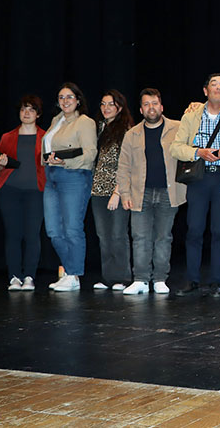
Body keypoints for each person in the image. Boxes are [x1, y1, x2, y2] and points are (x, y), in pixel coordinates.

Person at [170, 74, 220, 297]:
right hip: (198, 179)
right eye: (214, 84)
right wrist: (198, 152)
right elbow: (175, 148)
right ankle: (192, 279)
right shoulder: (190, 116)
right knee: (194, 229)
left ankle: (216, 281)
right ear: (205, 91)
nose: (218, 88)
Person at [118, 88, 187, 295]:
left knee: (163, 237)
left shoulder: (178, 128)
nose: (151, 108)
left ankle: (159, 279)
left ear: (161, 107)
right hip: (140, 193)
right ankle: (140, 279)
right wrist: (124, 194)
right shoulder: (132, 134)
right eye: (146, 104)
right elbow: (123, 166)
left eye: (154, 103)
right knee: (140, 238)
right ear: (141, 110)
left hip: (169, 193)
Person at [42, 82, 98, 291]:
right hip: (52, 177)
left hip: (74, 176)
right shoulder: (56, 121)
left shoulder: (85, 122)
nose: (65, 101)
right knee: (53, 230)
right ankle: (69, 271)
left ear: (78, 100)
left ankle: (73, 275)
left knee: (72, 229)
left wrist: (65, 162)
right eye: (61, 97)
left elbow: (90, 154)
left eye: (69, 97)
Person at [0, 95, 46, 291]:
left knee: (32, 235)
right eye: (23, 109)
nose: (26, 113)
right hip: (10, 191)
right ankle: (14, 277)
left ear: (38, 114)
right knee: (13, 234)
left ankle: (29, 276)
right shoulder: (7, 137)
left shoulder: (46, 137)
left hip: (36, 192)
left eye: (31, 109)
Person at [90, 89, 134, 291]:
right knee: (103, 235)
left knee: (118, 234)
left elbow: (128, 164)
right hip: (97, 190)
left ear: (120, 107)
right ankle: (108, 277)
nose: (106, 108)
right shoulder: (98, 128)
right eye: (103, 104)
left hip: (118, 190)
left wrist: (118, 192)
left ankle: (122, 277)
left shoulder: (126, 130)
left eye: (111, 104)